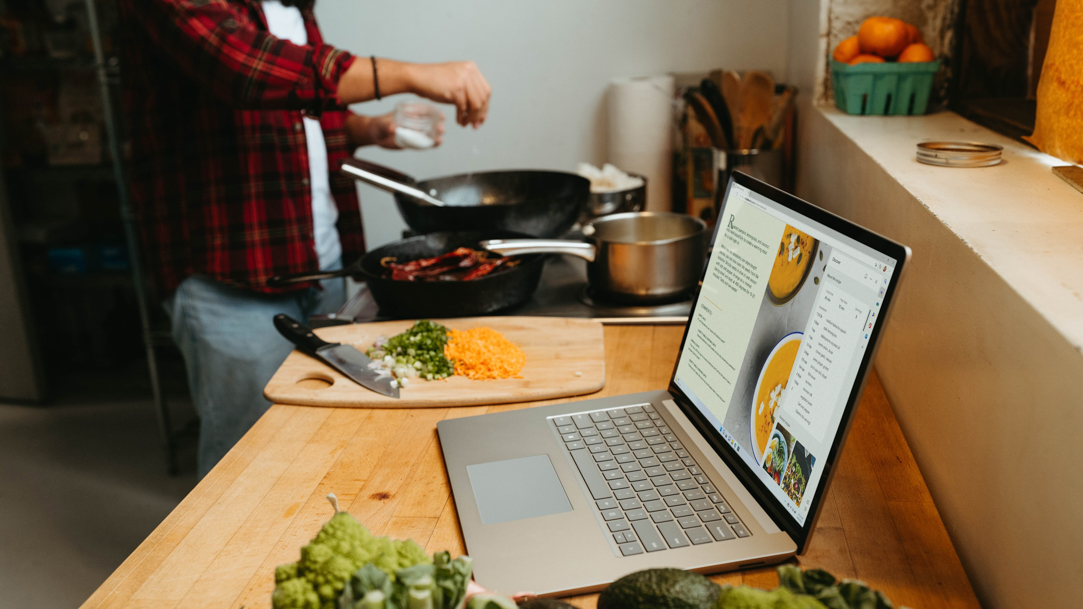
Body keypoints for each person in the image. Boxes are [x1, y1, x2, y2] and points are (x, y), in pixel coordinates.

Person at [118, 0, 491, 477]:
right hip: (228, 278)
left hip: (320, 262)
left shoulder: (290, 5)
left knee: (323, 444)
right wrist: (413, 74)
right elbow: (247, 71)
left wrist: (365, 128)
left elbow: (289, 113)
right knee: (251, 463)